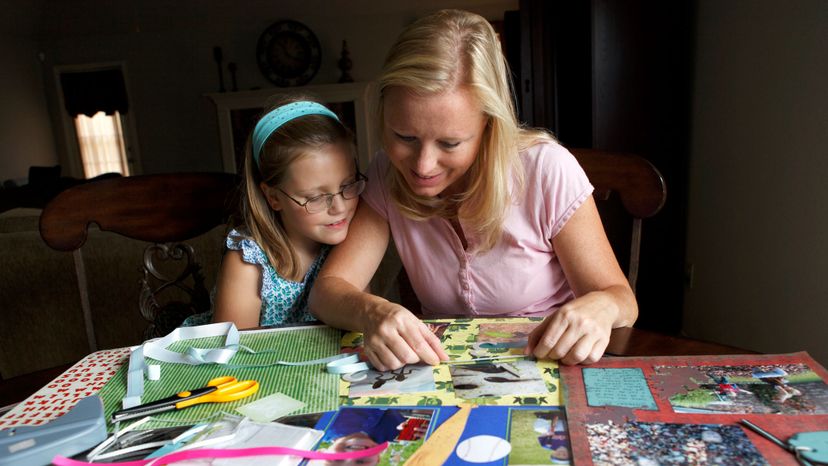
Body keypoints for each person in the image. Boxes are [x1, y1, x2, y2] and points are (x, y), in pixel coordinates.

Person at [309, 9, 637, 370]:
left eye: (450, 143)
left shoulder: (546, 169)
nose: (421, 166)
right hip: (441, 372)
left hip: (550, 364)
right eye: (405, 137)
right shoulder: (386, 172)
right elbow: (329, 290)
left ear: (489, 127)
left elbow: (622, 300)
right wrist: (372, 311)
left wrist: (601, 307)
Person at [182, 96, 364, 328]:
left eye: (348, 185)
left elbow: (359, 327)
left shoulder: (351, 247)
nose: (339, 208)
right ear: (274, 197)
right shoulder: (249, 263)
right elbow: (233, 355)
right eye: (315, 197)